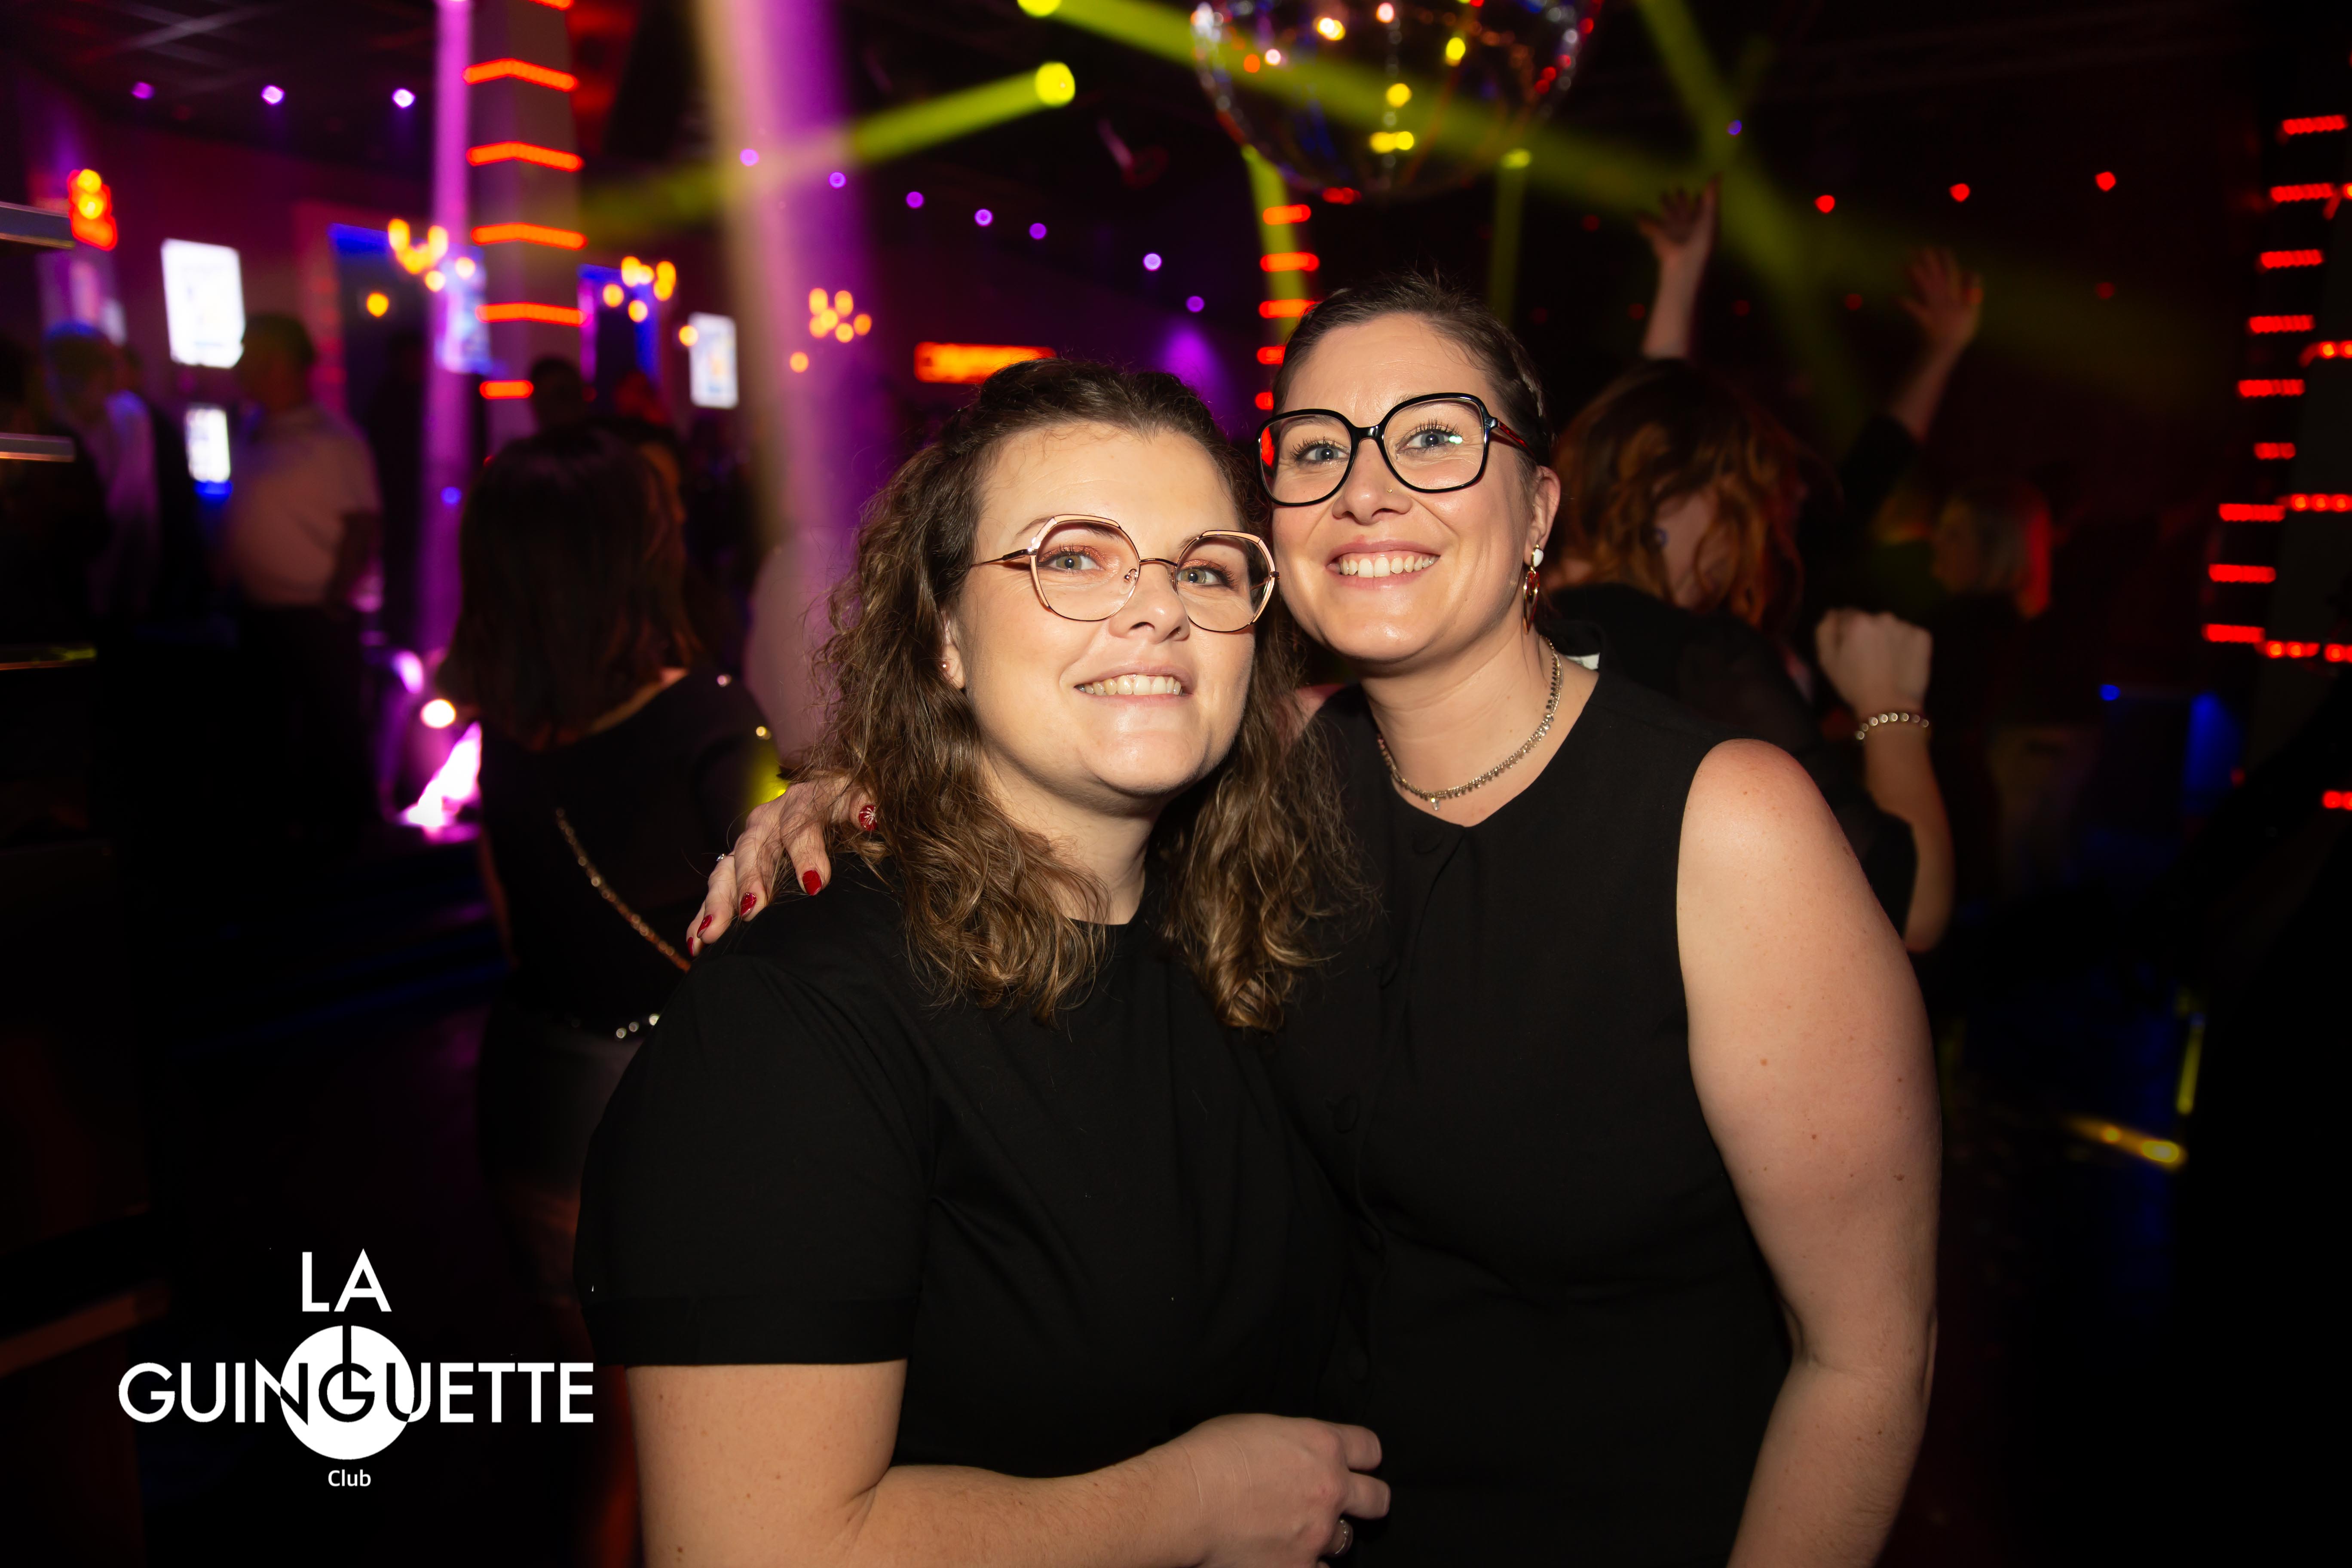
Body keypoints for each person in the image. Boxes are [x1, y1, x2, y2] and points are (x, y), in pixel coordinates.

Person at [701, 277, 1941, 1565]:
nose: (1367, 488)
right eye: (1314, 449)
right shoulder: (1270, 771)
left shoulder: (1725, 825)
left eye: (1435, 436)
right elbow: (1060, 727)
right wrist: (867, 791)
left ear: (1539, 509)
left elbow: (1866, 1360)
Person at [578, 361, 1387, 1565]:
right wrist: (1196, 1505)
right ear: (945, 637)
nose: (1158, 610)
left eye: (1205, 570)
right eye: (1075, 557)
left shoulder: (1244, 933)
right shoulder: (794, 1018)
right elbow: (755, 1547)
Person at [434, 424, 773, 1565]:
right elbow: (787, 926)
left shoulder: (507, 731)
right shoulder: (709, 719)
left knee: (604, 1424)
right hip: (663, 1110)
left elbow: (510, 923)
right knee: (671, 1450)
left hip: (533, 1093)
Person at [1545, 358, 1955, 951]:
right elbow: (1912, 907)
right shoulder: (1703, 656)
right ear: (1676, 487)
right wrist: (1891, 705)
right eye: (1748, 502)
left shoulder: (1513, 623)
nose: (1755, 542)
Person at [220, 312, 383, 858]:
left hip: (316, 615)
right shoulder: (254, 429)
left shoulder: (334, 440)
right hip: (262, 611)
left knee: (330, 731)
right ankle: (283, 842)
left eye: (252, 354)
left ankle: (347, 848)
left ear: (282, 363)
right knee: (268, 733)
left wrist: (335, 597)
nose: (242, 366)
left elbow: (363, 524)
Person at [1925, 479, 2053, 905]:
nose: (1935, 542)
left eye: (1954, 534)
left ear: (1993, 548)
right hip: (1960, 792)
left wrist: (1865, 724)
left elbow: (1940, 716)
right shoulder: (1996, 620)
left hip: (1948, 796)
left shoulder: (1970, 626)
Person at [43, 324, 159, 627]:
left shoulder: (129, 419)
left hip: (117, 598)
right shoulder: (46, 431)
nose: (113, 375)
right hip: (66, 601)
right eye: (104, 365)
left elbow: (141, 510)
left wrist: (140, 592)